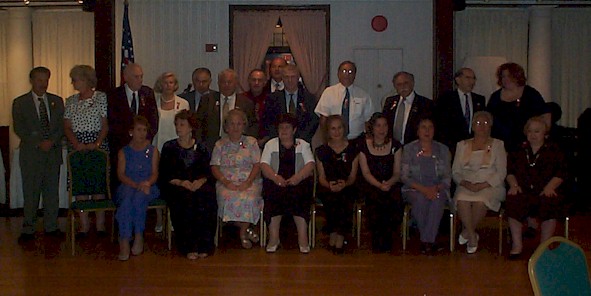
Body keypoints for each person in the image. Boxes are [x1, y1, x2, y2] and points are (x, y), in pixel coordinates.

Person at [12, 66, 65, 242]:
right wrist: (38, 143)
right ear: (32, 81)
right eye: (40, 80)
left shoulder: (57, 101)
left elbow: (60, 127)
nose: (43, 84)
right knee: (31, 192)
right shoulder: (20, 102)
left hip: (52, 153)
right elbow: (19, 127)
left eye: (46, 80)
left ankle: (51, 226)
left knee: (51, 193)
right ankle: (29, 228)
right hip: (31, 155)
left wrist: (52, 141)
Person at [505, 116, 567, 259]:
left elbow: (561, 172)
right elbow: (510, 172)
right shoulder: (519, 150)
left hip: (546, 189)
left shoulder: (554, 150)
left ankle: (543, 247)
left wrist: (550, 187)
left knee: (549, 201)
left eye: (537, 131)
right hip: (524, 190)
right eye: (530, 131)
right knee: (513, 199)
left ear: (545, 133)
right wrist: (513, 185)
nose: (533, 135)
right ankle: (517, 245)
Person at [159, 110, 217, 260]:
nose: (179, 128)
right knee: (185, 200)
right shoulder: (169, 147)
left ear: (191, 127)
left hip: (198, 184)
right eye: (177, 124)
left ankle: (205, 244)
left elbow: (207, 172)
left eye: (182, 125)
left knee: (205, 197)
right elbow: (165, 174)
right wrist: (182, 182)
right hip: (176, 185)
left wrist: (199, 182)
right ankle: (187, 246)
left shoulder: (202, 148)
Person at [63, 65, 109, 238]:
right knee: (80, 186)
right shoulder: (71, 101)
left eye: (75, 79)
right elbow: (67, 127)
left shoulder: (101, 98)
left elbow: (105, 125)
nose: (73, 82)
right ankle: (83, 225)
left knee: (98, 185)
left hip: (97, 146)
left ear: (86, 80)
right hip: (77, 147)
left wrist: (97, 143)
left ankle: (100, 225)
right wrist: (76, 143)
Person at [452, 111, 506, 254]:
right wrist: (465, 183)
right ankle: (472, 235)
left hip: (490, 185)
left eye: (485, 123)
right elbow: (455, 171)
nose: (481, 127)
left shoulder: (498, 145)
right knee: (461, 198)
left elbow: (501, 172)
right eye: (478, 123)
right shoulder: (462, 145)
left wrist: (483, 185)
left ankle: (466, 232)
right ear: (472, 126)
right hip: (467, 183)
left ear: (491, 126)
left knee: (481, 200)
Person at [260, 113, 315, 253]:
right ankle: (274, 238)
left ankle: (303, 239)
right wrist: (275, 177)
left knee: (300, 195)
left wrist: (298, 177)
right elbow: (264, 165)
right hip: (276, 182)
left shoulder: (303, 144)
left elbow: (310, 165)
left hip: (298, 182)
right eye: (281, 128)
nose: (284, 130)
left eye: (287, 127)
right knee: (273, 195)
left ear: (294, 130)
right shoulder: (270, 144)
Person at [210, 109, 263, 249]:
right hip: (226, 182)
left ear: (244, 126)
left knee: (249, 198)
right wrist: (226, 182)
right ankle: (246, 230)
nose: (235, 127)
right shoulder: (219, 144)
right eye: (232, 124)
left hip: (249, 181)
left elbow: (257, 164)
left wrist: (248, 182)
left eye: (239, 124)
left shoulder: (251, 142)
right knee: (227, 198)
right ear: (226, 127)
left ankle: (242, 232)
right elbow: (214, 166)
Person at [401, 117, 451, 254]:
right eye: (423, 127)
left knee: (437, 199)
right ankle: (429, 240)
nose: (427, 130)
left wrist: (435, 189)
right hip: (414, 188)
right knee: (420, 199)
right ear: (417, 131)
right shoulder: (409, 149)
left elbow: (447, 178)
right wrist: (423, 189)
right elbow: (405, 176)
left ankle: (426, 241)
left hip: (437, 189)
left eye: (430, 127)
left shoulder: (443, 150)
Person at [107, 63, 159, 191]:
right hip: (122, 147)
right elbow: (113, 123)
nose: (140, 80)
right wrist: (130, 142)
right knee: (125, 189)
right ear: (126, 77)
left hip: (143, 147)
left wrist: (144, 140)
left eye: (141, 76)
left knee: (142, 187)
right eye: (136, 77)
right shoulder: (114, 95)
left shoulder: (147, 93)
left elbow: (153, 121)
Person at [115, 116, 160, 261]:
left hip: (148, 185)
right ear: (131, 132)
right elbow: (121, 175)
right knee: (127, 200)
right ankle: (124, 239)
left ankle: (139, 235)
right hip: (128, 184)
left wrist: (146, 183)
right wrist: (136, 185)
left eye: (144, 130)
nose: (142, 133)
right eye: (138, 130)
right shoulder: (124, 152)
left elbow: (155, 173)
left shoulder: (153, 151)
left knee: (139, 198)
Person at [358, 113, 403, 253]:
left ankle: (389, 237)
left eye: (384, 125)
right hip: (371, 183)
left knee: (393, 198)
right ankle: (376, 238)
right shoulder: (363, 145)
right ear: (372, 127)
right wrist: (379, 185)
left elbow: (397, 172)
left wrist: (388, 183)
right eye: (378, 125)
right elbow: (365, 173)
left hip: (391, 183)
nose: (382, 129)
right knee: (375, 198)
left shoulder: (396, 145)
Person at [316, 115, 360, 254]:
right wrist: (330, 186)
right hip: (328, 186)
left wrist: (345, 184)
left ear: (344, 129)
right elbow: (321, 177)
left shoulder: (354, 149)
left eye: (339, 128)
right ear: (327, 131)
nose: (336, 132)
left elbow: (353, 176)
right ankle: (333, 233)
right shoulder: (321, 151)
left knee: (344, 197)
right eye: (333, 128)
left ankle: (340, 235)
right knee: (331, 198)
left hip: (348, 185)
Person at [152, 71, 189, 233]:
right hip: (157, 148)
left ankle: (175, 219)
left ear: (176, 85)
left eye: (172, 83)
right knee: (159, 183)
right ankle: (160, 218)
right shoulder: (153, 102)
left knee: (175, 184)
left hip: (176, 150)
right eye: (166, 82)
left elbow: (186, 127)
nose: (169, 86)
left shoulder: (183, 103)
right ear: (161, 84)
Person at [486, 62, 546, 152]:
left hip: (526, 144)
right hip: (501, 145)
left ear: (517, 76)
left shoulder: (530, 94)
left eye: (509, 76)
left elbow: (544, 115)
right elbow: (488, 119)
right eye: (503, 76)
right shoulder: (495, 97)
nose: (506, 79)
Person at [196, 69, 258, 152]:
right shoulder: (207, 100)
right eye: (223, 82)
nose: (226, 85)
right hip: (210, 148)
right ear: (218, 83)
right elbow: (198, 124)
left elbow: (252, 126)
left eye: (229, 82)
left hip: (239, 148)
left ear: (236, 83)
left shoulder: (246, 103)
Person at [315, 61, 375, 142]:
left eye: (350, 72)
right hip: (334, 140)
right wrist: (325, 138)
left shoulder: (363, 95)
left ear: (354, 75)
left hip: (357, 140)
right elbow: (323, 118)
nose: (347, 74)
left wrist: (370, 138)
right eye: (344, 71)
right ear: (338, 74)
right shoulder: (329, 92)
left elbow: (368, 120)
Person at [263, 64, 319, 144]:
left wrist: (299, 140)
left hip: (302, 143)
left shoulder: (309, 98)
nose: (290, 80)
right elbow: (268, 122)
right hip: (278, 143)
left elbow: (313, 122)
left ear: (298, 78)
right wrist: (281, 138)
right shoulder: (272, 98)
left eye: (293, 77)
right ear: (282, 78)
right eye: (286, 77)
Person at [435, 68, 486, 154]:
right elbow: (441, 125)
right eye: (468, 78)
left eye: (473, 78)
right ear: (458, 80)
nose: (472, 81)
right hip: (452, 147)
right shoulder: (446, 99)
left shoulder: (479, 100)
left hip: (475, 147)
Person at [383, 71, 434, 145]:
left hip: (415, 148)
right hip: (392, 148)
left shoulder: (425, 104)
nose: (403, 87)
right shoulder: (389, 102)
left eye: (406, 83)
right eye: (399, 84)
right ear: (395, 86)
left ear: (412, 83)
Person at [243, 69, 269, 146]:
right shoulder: (242, 99)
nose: (256, 83)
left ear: (264, 82)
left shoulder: (271, 99)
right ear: (249, 81)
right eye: (253, 80)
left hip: (266, 141)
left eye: (260, 80)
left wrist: (265, 140)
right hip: (245, 141)